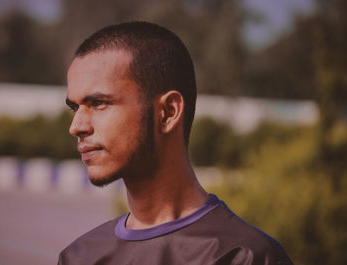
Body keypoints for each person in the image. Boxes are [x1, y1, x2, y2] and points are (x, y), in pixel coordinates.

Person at [58, 21, 293, 265]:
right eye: (75, 107)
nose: (76, 126)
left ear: (168, 112)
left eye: (98, 103)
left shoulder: (244, 257)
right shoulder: (79, 257)